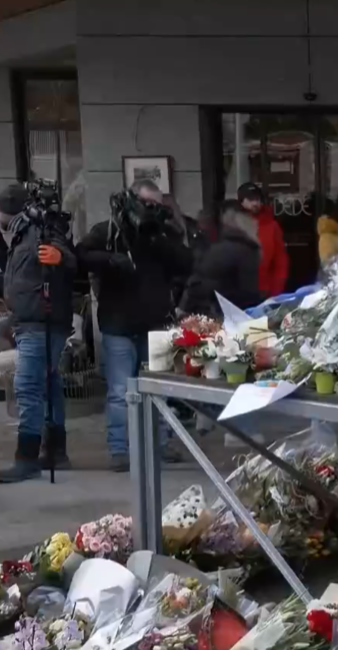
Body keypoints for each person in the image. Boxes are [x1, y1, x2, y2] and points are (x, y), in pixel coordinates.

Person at [77, 185, 194, 473]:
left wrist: (160, 236)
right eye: (145, 203)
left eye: (155, 204)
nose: (149, 208)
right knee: (120, 391)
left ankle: (161, 443)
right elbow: (79, 256)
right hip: (119, 324)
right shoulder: (109, 231)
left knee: (159, 390)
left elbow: (187, 264)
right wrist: (111, 260)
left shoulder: (164, 233)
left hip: (154, 324)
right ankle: (120, 449)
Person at [0, 183, 79, 483]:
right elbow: (17, 272)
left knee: (28, 387)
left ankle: (27, 458)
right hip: (30, 322)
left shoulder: (41, 230)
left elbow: (69, 259)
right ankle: (55, 452)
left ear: (10, 209)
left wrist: (60, 259)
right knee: (47, 385)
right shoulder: (22, 235)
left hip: (41, 323)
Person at [182, 201, 263, 316]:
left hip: (208, 310)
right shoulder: (244, 250)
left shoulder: (218, 247)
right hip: (227, 313)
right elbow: (248, 294)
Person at [236, 183, 288, 296]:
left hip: (265, 291)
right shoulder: (233, 225)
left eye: (258, 199)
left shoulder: (272, 226)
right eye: (250, 199)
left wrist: (276, 290)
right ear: (241, 201)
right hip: (238, 291)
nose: (255, 203)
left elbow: (280, 261)